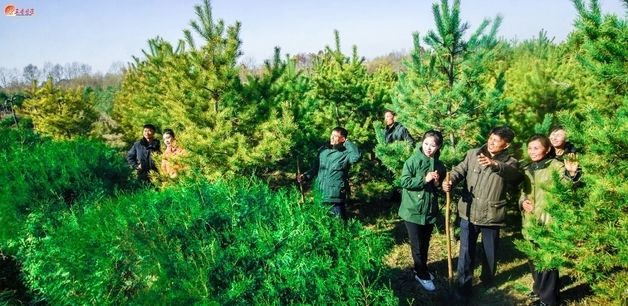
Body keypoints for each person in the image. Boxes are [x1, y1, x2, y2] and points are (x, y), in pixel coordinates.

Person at [442, 126, 523, 299]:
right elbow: (459, 170)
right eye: (490, 138)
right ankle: (463, 286)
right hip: (469, 212)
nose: (491, 142)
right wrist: (449, 182)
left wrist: (495, 165)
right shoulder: (473, 154)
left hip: (492, 215)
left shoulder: (510, 162)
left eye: (496, 141)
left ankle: (488, 280)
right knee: (465, 251)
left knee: (490, 251)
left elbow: (514, 175)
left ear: (506, 144)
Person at [520, 135, 580, 306]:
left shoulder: (556, 166)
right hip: (529, 221)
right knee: (534, 259)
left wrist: (571, 174)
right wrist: (522, 202)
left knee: (547, 262)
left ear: (546, 149)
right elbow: (522, 193)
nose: (532, 152)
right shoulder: (527, 169)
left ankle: (549, 301)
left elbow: (566, 188)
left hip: (548, 221)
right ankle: (539, 291)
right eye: (530, 148)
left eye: (536, 148)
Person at [398, 130, 446, 291]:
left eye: (433, 145)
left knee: (425, 243)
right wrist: (424, 179)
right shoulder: (412, 161)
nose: (428, 148)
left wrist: (438, 182)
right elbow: (404, 181)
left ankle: (421, 268)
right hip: (412, 210)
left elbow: (439, 186)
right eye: (426, 144)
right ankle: (421, 274)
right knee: (417, 244)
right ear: (421, 143)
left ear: (438, 147)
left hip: (429, 211)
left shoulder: (439, 165)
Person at [297, 127, 361, 220]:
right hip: (320, 194)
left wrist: (347, 142)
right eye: (331, 135)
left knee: (338, 227)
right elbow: (315, 169)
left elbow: (357, 157)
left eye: (335, 136)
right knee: (322, 226)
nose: (332, 138)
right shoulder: (323, 151)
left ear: (342, 139)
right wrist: (305, 176)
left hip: (335, 196)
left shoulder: (346, 153)